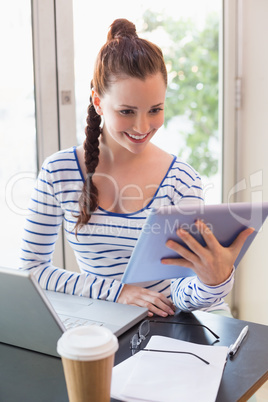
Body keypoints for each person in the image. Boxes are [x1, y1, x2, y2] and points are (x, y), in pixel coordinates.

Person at [20, 18, 253, 318]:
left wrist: (214, 281)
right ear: (99, 103)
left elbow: (182, 294)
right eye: (127, 112)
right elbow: (32, 268)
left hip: (175, 322)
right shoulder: (58, 172)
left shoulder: (181, 181)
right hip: (107, 321)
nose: (142, 127)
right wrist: (118, 292)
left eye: (155, 110)